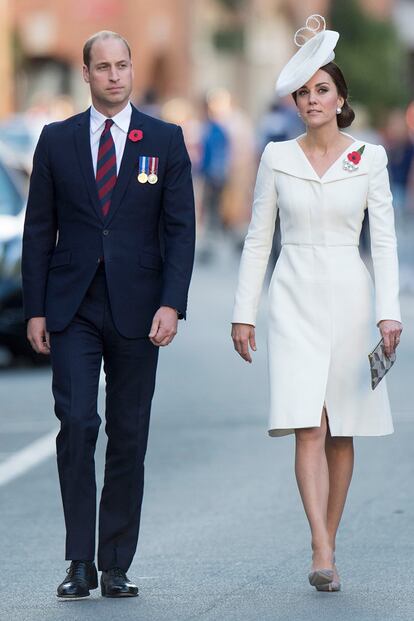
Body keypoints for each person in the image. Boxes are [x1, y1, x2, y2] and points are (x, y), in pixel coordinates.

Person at [231, 15, 402, 592]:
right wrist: (243, 311)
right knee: (310, 422)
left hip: (353, 299)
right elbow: (259, 238)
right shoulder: (277, 157)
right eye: (303, 92)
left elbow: (383, 242)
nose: (312, 100)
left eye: (321, 89)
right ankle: (321, 546)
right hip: (294, 295)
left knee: (342, 430)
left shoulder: (370, 158)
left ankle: (328, 538)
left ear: (340, 97)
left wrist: (390, 312)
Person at [22, 31, 195, 599]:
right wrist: (36, 309)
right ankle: (79, 561)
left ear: (131, 70)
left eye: (123, 65)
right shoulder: (56, 140)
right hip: (72, 306)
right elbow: (38, 229)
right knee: (76, 425)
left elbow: (179, 229)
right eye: (104, 67)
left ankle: (115, 561)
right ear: (87, 73)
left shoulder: (164, 141)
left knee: (128, 434)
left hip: (140, 309)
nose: (115, 75)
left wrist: (172, 303)